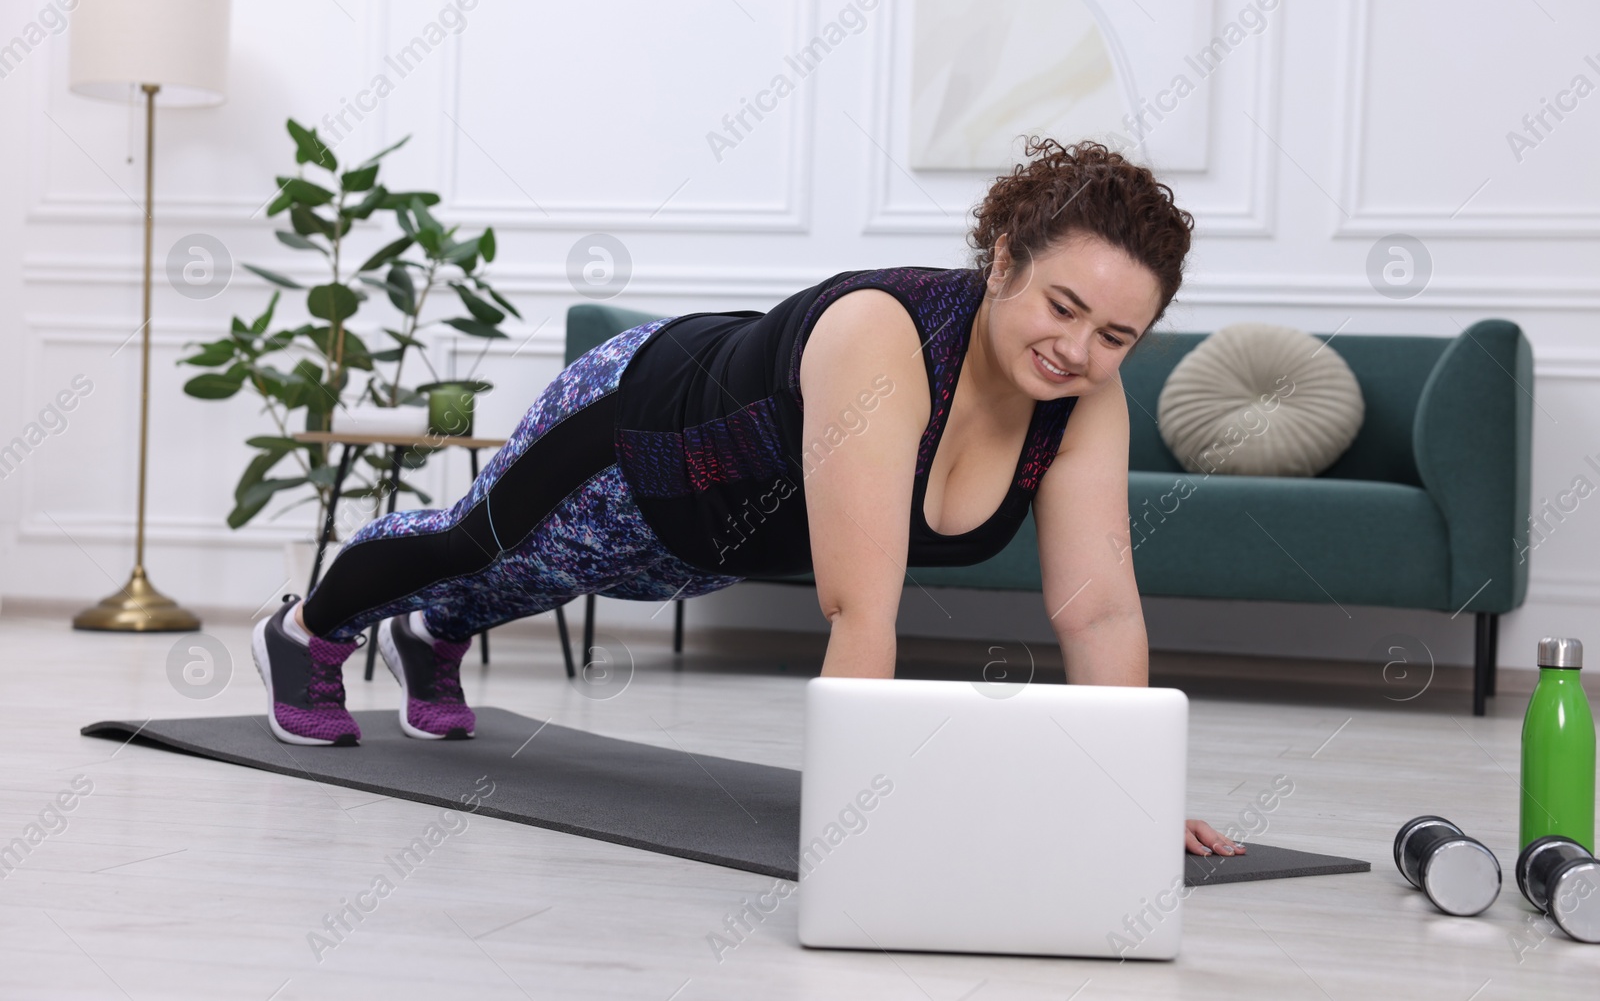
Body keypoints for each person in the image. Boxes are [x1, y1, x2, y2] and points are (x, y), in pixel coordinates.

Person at [250, 136, 1247, 857]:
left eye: (1114, 335)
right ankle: (306, 631)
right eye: (1061, 305)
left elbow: (1100, 604)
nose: (1078, 349)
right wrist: (854, 818)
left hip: (707, 543)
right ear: (1001, 264)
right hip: (632, 424)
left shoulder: (1085, 400)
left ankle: (436, 634)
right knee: (483, 538)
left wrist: (1131, 798)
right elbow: (862, 607)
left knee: (568, 572)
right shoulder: (883, 338)